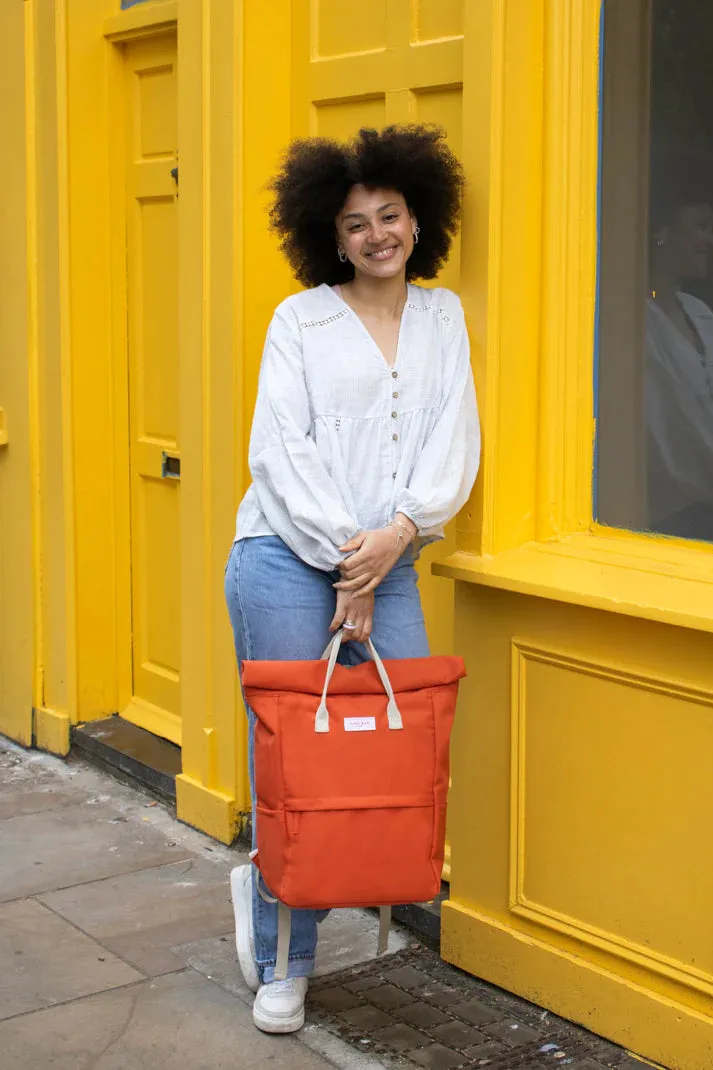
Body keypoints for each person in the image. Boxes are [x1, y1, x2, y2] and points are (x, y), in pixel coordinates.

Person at [224, 125, 480, 1034]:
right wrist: (351, 557)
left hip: (391, 565)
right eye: (355, 222)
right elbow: (278, 451)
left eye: (391, 216)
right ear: (330, 236)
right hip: (284, 563)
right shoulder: (299, 321)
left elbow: (453, 440)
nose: (377, 234)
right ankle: (282, 959)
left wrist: (395, 540)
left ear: (419, 219)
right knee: (294, 772)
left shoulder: (443, 316)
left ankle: (320, 901)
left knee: (391, 752)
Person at [646, 159, 713, 538]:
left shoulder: (698, 312)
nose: (710, 240)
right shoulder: (635, 321)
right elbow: (670, 424)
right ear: (663, 232)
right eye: (700, 227)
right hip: (675, 515)